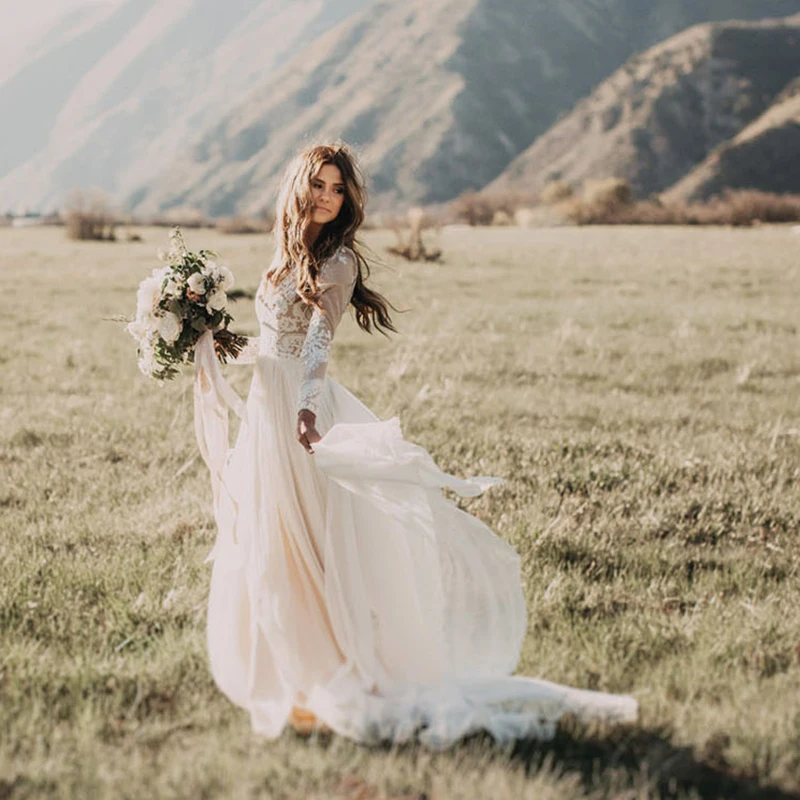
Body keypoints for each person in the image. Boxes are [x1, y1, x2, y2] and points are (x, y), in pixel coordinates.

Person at [196, 143, 637, 748]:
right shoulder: (284, 258)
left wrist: (304, 410)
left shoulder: (338, 259)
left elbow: (319, 342)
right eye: (319, 185)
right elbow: (275, 346)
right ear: (298, 186)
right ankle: (298, 672)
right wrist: (220, 340)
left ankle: (344, 666)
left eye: (338, 189)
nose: (328, 197)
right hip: (267, 410)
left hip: (300, 411)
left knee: (313, 543)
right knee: (274, 543)